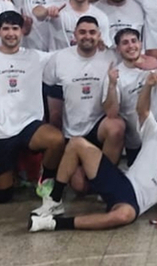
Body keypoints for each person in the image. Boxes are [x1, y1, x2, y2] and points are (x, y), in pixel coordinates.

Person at [29, 70, 157, 232]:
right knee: (77, 143)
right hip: (121, 182)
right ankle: (54, 201)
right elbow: (142, 110)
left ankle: (53, 224)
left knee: (124, 216)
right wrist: (148, 86)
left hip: (134, 203)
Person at [0, 11, 66, 204]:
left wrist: (103, 47)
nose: (11, 33)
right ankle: (14, 176)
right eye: (6, 29)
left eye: (15, 28)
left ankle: (47, 178)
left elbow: (70, 55)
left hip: (29, 125)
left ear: (22, 32)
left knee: (56, 140)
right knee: (2, 198)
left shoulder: (37, 57)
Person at [42, 16, 125, 164]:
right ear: (74, 34)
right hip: (72, 131)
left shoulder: (111, 57)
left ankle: (106, 177)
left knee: (116, 126)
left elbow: (134, 57)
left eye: (92, 32)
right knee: (80, 185)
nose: (87, 36)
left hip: (98, 127)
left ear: (99, 35)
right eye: (82, 32)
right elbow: (51, 96)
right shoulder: (59, 58)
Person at [34, 0, 111, 128]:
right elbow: (37, 13)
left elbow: (105, 47)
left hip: (85, 75)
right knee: (54, 121)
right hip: (57, 76)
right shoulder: (59, 9)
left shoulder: (100, 17)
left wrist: (101, 43)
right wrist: (47, 11)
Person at [108, 28, 157, 166]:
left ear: (140, 43)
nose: (131, 46)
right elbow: (112, 113)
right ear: (118, 49)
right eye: (125, 43)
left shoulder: (153, 63)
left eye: (134, 41)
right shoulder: (116, 74)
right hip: (136, 136)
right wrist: (112, 85)